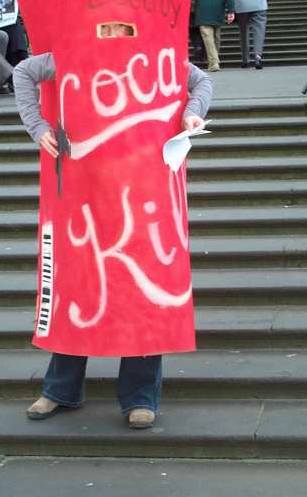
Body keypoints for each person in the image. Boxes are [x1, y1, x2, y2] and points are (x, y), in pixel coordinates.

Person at [13, 51, 212, 429]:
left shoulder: (156, 48)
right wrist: (37, 126)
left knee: (144, 289)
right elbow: (23, 71)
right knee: (77, 285)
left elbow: (201, 81)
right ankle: (60, 389)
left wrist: (192, 111)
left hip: (143, 183)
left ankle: (140, 396)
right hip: (83, 185)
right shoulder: (75, 44)